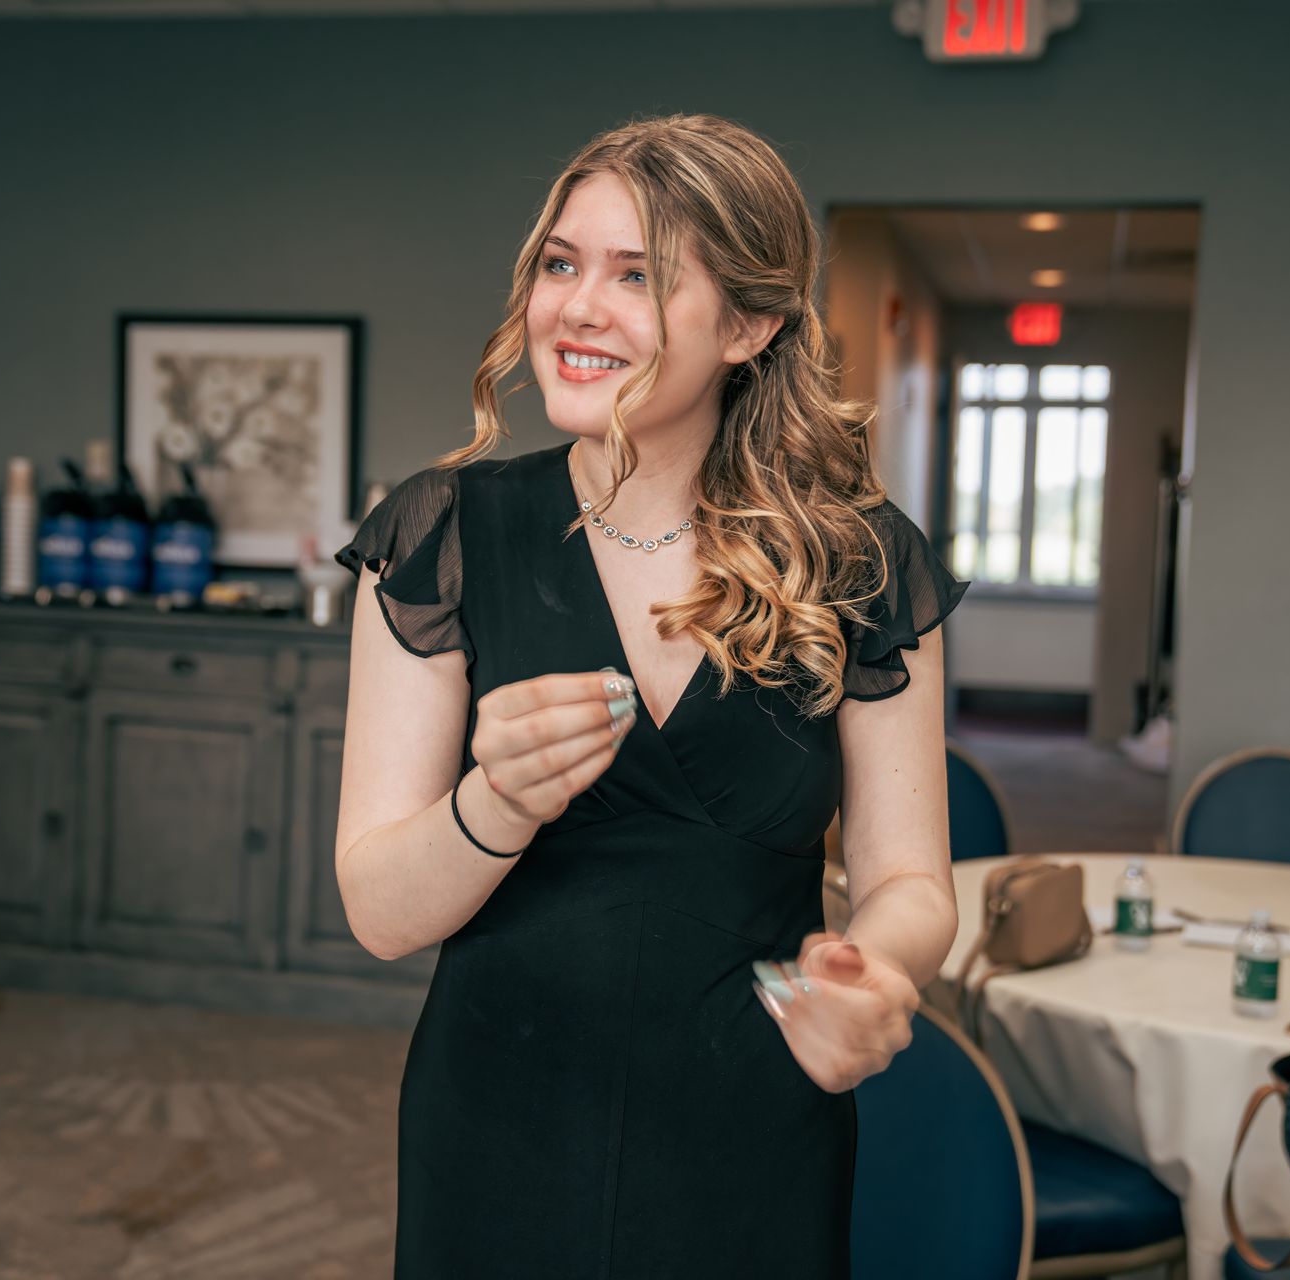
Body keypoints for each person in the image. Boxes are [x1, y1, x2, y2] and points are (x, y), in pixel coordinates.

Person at [332, 112, 966, 1279]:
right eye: (561, 263)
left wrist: (878, 967)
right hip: (498, 1124)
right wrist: (494, 804)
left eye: (640, 275)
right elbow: (378, 909)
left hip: (752, 1130)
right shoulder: (443, 535)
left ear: (750, 324)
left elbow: (912, 880)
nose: (577, 306)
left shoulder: (862, 560)